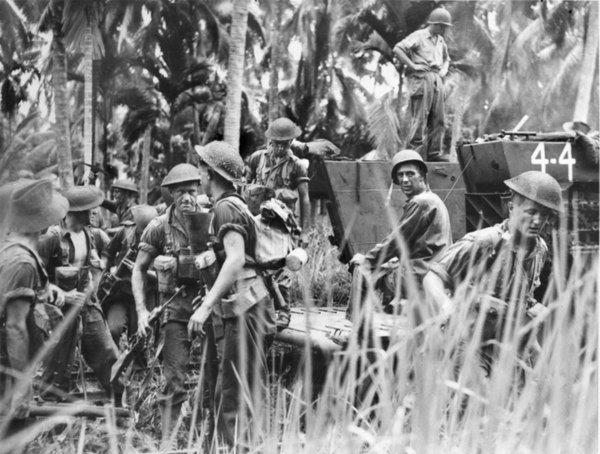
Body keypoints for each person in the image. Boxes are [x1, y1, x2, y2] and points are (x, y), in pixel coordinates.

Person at [423, 170, 563, 377]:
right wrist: (446, 306)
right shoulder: (484, 242)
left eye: (545, 215)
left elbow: (524, 302)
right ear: (511, 208)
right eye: (531, 212)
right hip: (470, 342)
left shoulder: (539, 250)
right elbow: (432, 277)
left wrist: (537, 356)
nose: (538, 221)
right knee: (473, 402)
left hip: (508, 343)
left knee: (518, 405)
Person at [189, 141, 277, 447]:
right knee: (236, 386)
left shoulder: (226, 207)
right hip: (248, 303)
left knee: (235, 391)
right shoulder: (233, 204)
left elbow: (236, 258)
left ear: (209, 173)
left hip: (245, 306)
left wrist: (205, 306)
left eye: (201, 167)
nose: (199, 173)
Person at [132, 163, 206, 440]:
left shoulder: (212, 219)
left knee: (214, 374)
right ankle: (168, 441)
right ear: (171, 195)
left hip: (208, 306)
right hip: (174, 308)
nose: (187, 198)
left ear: (199, 191)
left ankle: (207, 434)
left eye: (191, 191)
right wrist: (141, 311)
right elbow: (138, 269)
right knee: (173, 377)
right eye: (180, 193)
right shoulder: (158, 227)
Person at [37, 185, 122, 403]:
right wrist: (62, 296)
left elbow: (97, 263)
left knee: (108, 354)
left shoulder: (91, 235)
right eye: (88, 210)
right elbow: (36, 279)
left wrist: (93, 282)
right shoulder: (51, 238)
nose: (94, 213)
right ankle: (50, 412)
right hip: (60, 310)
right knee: (58, 365)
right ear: (73, 213)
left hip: (87, 305)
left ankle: (118, 402)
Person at [350, 149, 452, 314]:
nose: (404, 180)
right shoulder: (433, 199)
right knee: (386, 266)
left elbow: (396, 242)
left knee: (360, 269)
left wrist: (367, 260)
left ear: (422, 176)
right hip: (433, 271)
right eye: (400, 175)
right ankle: (392, 311)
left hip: (420, 274)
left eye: (410, 174)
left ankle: (357, 329)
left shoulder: (421, 202)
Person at [0, 179, 68, 427]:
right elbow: (15, 327)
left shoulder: (13, 249)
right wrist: (21, 386)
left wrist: (46, 291)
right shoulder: (22, 262)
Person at [393, 8, 452, 162]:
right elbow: (398, 48)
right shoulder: (419, 36)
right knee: (420, 118)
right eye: (442, 26)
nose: (444, 29)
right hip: (422, 77)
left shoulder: (440, 40)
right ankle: (413, 154)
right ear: (435, 24)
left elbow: (447, 59)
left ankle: (434, 153)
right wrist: (413, 66)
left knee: (439, 119)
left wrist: (443, 71)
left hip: (436, 78)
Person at [101, 205, 158, 344]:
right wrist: (106, 272)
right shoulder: (125, 233)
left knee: (139, 337)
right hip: (121, 292)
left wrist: (141, 271)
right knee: (113, 329)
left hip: (144, 294)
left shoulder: (159, 236)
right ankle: (112, 363)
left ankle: (139, 366)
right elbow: (107, 254)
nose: (145, 233)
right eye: (142, 229)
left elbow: (160, 276)